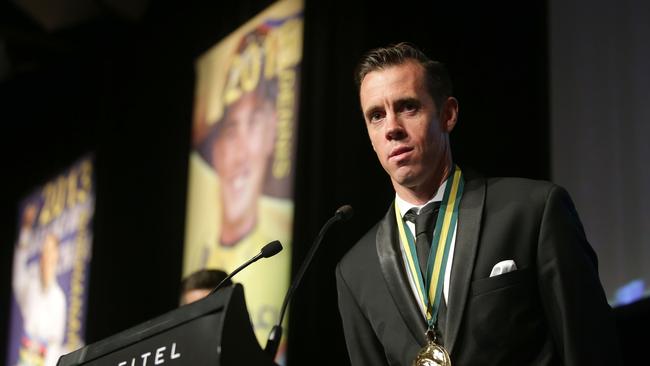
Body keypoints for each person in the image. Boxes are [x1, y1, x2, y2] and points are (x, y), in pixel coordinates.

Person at [335, 42, 620, 366]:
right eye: (376, 115)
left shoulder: (533, 212)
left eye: (408, 107)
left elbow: (592, 350)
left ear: (448, 114)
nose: (392, 129)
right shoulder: (355, 271)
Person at [12, 231, 66, 366]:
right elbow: (17, 277)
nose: (45, 255)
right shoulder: (31, 287)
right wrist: (25, 232)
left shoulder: (58, 299)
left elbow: (55, 346)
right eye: (44, 250)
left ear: (56, 255)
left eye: (49, 250)